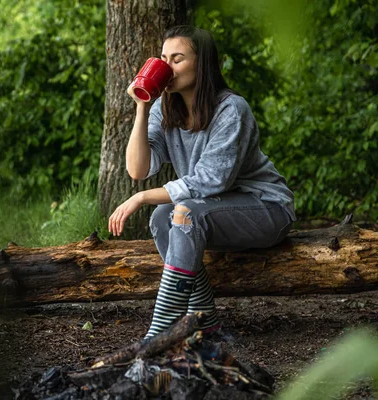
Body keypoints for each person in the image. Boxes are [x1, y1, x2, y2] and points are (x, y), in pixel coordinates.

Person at [107, 25, 296, 339]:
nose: (168, 68)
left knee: (184, 212)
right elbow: (138, 169)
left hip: (266, 208)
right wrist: (141, 105)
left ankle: (158, 334)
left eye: (178, 59)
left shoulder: (232, 110)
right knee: (162, 217)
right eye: (164, 59)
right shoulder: (164, 108)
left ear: (203, 64)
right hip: (212, 212)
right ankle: (206, 325)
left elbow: (212, 181)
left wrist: (139, 198)